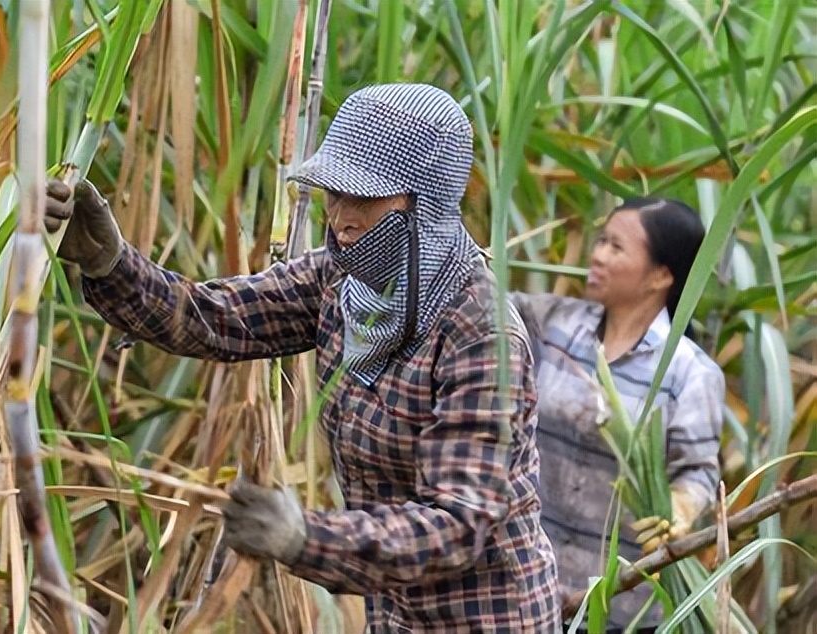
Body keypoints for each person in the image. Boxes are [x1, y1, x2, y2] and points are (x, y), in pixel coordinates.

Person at [44, 83, 561, 632]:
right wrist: (109, 263)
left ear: (423, 200)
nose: (340, 217)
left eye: (362, 197)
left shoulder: (480, 333)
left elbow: (459, 524)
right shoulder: (340, 279)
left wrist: (305, 538)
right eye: (332, 194)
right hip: (393, 612)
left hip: (487, 617)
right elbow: (218, 318)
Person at [512, 197, 725, 633]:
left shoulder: (689, 373)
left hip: (624, 608)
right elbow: (479, 303)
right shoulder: (552, 326)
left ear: (661, 275)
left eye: (616, 246)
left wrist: (679, 512)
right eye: (601, 240)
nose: (597, 255)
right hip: (529, 595)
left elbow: (698, 473)